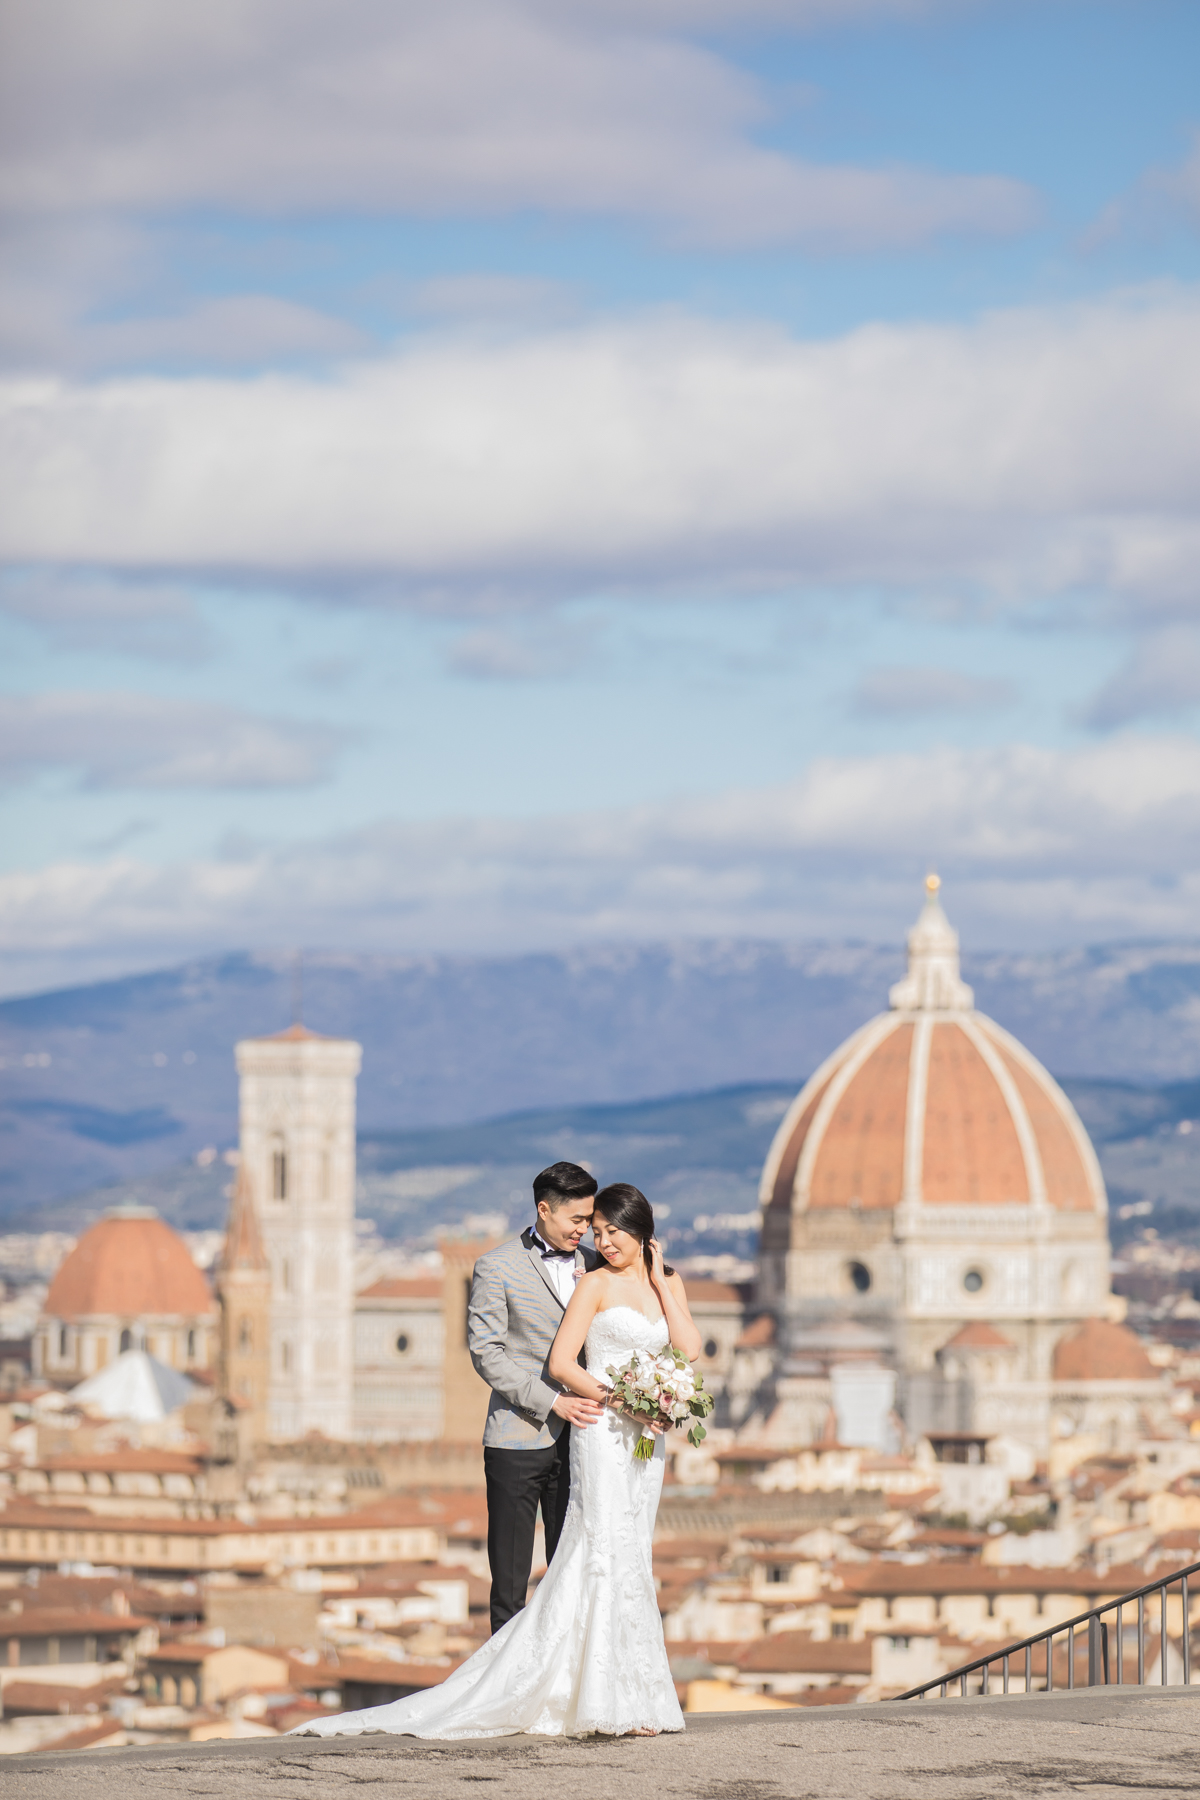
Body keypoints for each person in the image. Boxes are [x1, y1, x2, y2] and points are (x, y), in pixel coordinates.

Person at [291, 1181, 700, 1740]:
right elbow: (496, 1353)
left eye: (603, 1227)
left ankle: (601, 1690)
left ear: (640, 1232)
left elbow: (687, 1349)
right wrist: (616, 1400)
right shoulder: (517, 1268)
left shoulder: (618, 1270)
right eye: (586, 1223)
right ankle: (515, 1690)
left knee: (603, 1558)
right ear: (545, 1210)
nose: (592, 1235)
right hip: (540, 1430)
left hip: (617, 1441)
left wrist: (660, 1285)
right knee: (529, 1573)